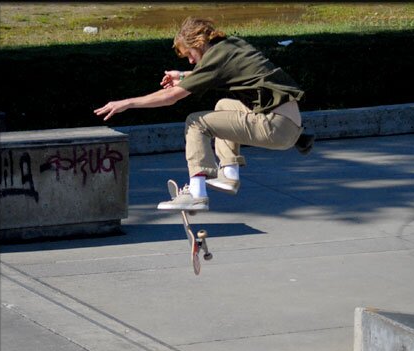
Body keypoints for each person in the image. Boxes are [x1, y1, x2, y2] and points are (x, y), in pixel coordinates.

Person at [94, 17, 313, 211]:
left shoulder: (217, 57)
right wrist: (183, 75)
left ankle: (197, 193)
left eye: (189, 54)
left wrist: (127, 102)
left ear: (198, 43)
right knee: (224, 105)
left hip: (275, 126)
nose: (190, 60)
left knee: (196, 122)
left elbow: (170, 97)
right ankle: (230, 174)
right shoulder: (231, 46)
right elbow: (219, 73)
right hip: (289, 125)